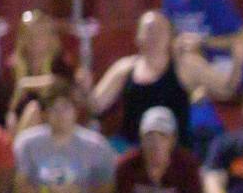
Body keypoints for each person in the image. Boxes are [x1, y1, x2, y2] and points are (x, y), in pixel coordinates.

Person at [13, 80, 117, 193]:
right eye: (53, 109)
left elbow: (108, 186)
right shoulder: (27, 143)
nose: (60, 115)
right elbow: (19, 186)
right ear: (44, 114)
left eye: (66, 108)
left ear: (76, 111)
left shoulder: (95, 145)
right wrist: (48, 191)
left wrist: (82, 191)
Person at [90, 11, 220, 152]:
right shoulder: (124, 68)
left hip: (173, 151)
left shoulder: (186, 66)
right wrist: (84, 88)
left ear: (170, 37)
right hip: (132, 148)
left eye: (160, 31)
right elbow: (95, 105)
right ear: (138, 36)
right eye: (149, 30)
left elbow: (226, 89)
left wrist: (237, 61)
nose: (154, 36)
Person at [3, 10, 82, 134]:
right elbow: (8, 104)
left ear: (51, 38)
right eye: (29, 34)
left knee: (33, 110)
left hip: (53, 120)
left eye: (41, 34)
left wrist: (26, 84)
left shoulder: (61, 64)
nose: (35, 40)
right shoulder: (12, 67)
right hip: (20, 122)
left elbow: (64, 86)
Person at [163, 0, 243, 98]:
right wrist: (177, 42)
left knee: (188, 62)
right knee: (184, 59)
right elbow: (169, 33)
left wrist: (203, 42)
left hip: (224, 62)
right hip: (191, 62)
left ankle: (226, 90)